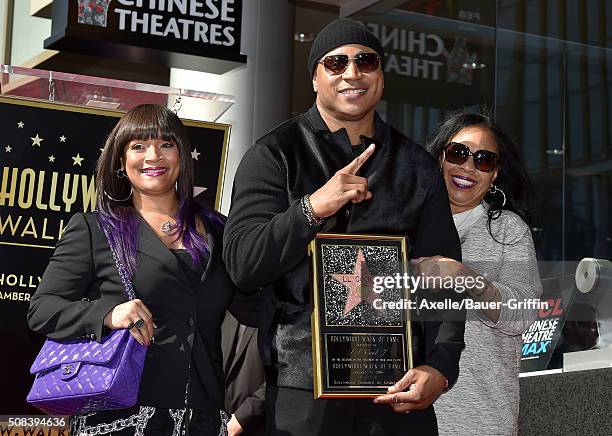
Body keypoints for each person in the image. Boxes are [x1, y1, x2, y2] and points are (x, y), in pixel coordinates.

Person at [223, 18, 466, 436]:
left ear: (381, 78)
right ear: (315, 78)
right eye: (336, 64)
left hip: (397, 386)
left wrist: (441, 366)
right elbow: (243, 264)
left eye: (365, 61)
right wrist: (312, 208)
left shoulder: (417, 165)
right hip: (303, 385)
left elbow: (446, 278)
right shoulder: (274, 155)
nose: (352, 73)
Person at [28, 104, 254, 436]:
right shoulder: (95, 229)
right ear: (121, 161)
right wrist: (108, 314)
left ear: (182, 156)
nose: (154, 155)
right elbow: (42, 310)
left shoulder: (221, 230)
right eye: (138, 146)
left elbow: (255, 306)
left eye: (166, 144)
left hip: (203, 416)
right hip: (120, 417)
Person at [422, 110, 543, 435]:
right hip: (401, 415)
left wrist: (466, 278)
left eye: (484, 160)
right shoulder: (405, 227)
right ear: (439, 158)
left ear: (495, 174)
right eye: (458, 153)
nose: (468, 167)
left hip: (478, 419)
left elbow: (523, 313)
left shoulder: (506, 230)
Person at [222, 311, 266, 436]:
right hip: (218, 422)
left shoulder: (275, 313)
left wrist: (241, 418)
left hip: (256, 425)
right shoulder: (223, 312)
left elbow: (281, 374)